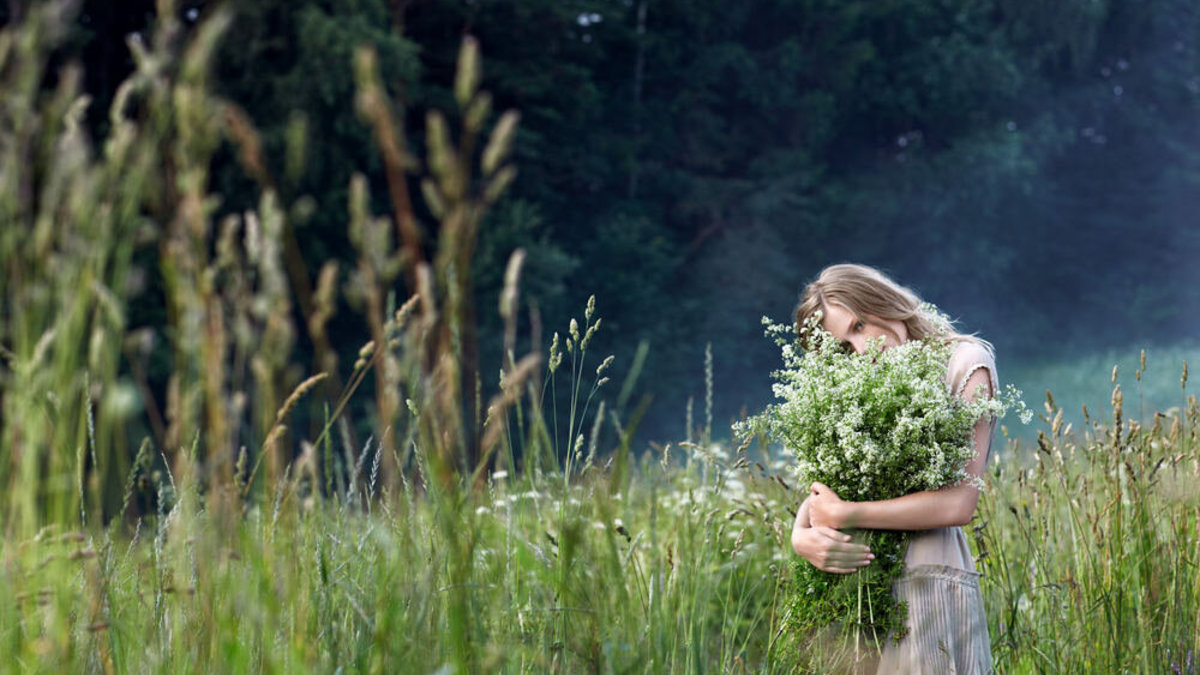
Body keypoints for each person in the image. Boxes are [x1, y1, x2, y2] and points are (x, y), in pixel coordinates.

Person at [789, 263, 997, 674]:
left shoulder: (966, 362)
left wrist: (848, 514)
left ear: (880, 299)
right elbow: (829, 488)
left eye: (860, 324)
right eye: (845, 345)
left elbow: (959, 503)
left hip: (929, 581)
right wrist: (801, 535)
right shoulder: (858, 385)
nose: (863, 348)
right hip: (857, 589)